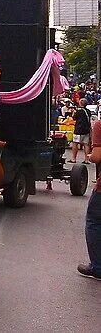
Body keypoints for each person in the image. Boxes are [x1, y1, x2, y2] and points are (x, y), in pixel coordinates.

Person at [77, 118, 101, 280]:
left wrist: (91, 156)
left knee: (94, 221)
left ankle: (97, 267)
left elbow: (98, 157)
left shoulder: (99, 125)